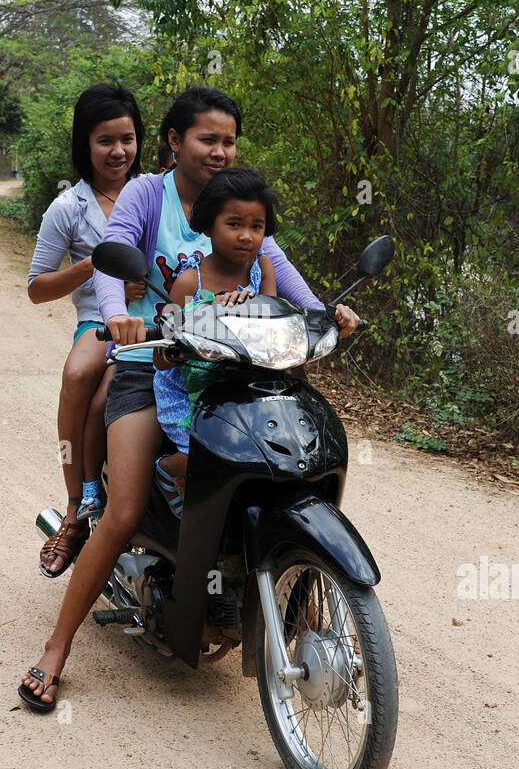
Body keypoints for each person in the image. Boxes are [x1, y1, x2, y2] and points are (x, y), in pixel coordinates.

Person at [19, 85, 360, 711]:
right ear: (175, 141)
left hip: (232, 366)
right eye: (208, 139)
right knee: (121, 513)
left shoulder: (239, 203)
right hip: (157, 358)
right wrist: (118, 318)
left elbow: (284, 273)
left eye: (229, 140)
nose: (220, 151)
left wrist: (328, 316)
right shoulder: (148, 194)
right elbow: (109, 258)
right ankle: (56, 648)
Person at [26, 83, 145, 579]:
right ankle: (75, 509)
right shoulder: (68, 208)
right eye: (104, 141)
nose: (118, 151)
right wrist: (92, 267)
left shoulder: (157, 191)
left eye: (127, 138)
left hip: (157, 316)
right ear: (84, 144)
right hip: (99, 321)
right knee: (78, 378)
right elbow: (36, 287)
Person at [152, 167, 278, 514]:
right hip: (190, 387)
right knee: (205, 452)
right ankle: (167, 471)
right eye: (234, 224)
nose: (246, 236)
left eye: (257, 226)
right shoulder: (189, 283)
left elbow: (272, 322)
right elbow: (161, 355)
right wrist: (204, 315)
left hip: (243, 382)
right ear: (208, 225)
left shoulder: (262, 268)